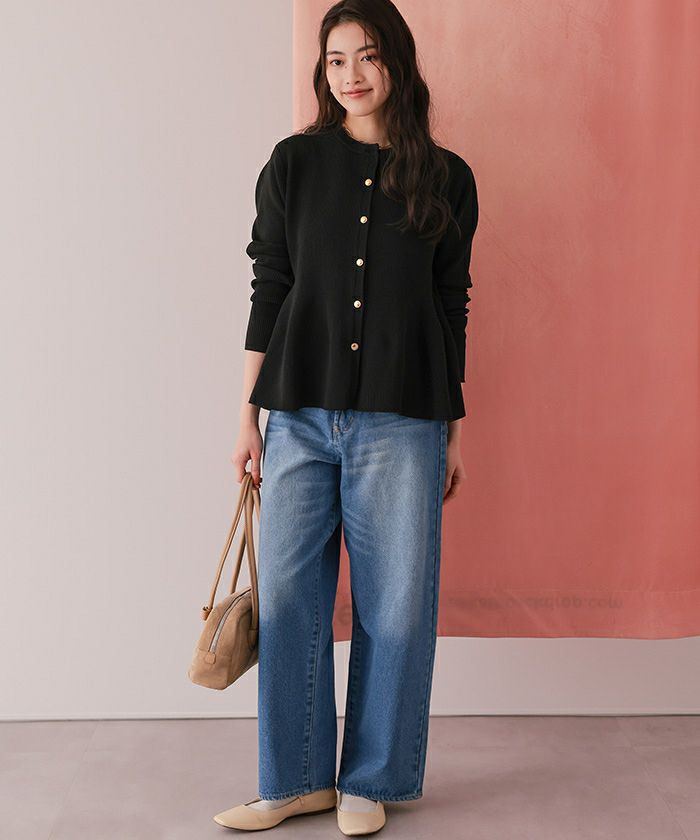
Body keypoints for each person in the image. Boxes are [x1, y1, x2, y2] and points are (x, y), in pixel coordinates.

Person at [215, 0, 478, 834]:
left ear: (397, 61)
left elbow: (450, 305)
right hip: (296, 414)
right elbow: (270, 288)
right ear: (322, 72)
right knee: (290, 601)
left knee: (394, 607)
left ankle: (372, 779)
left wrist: (454, 430)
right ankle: (295, 780)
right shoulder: (293, 165)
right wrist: (248, 417)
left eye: (367, 56)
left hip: (405, 422)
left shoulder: (448, 178)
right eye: (335, 60)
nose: (352, 75)